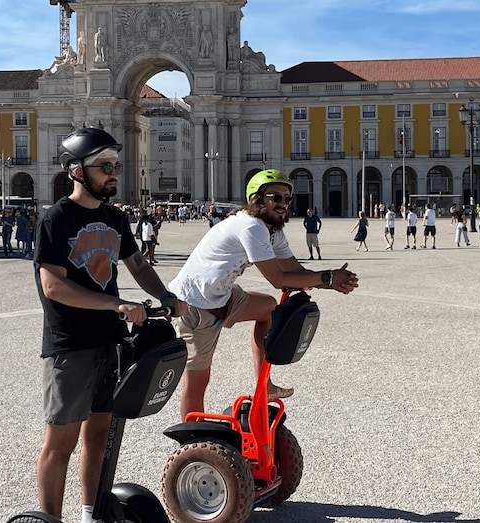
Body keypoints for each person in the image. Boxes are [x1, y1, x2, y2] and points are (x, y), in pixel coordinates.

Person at [34, 128, 187, 523]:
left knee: (100, 435)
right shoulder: (56, 219)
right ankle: (51, 519)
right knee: (60, 442)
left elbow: (138, 265)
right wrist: (117, 304)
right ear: (77, 170)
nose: (112, 174)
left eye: (115, 167)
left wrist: (167, 297)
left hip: (111, 343)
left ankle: (91, 515)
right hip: (71, 346)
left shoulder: (114, 218)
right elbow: (53, 286)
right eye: (104, 167)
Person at [169, 169, 359, 422]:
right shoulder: (250, 225)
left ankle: (264, 384)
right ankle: (192, 444)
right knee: (198, 381)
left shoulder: (272, 230)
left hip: (222, 297)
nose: (283, 204)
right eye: (275, 197)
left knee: (268, 308)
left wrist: (329, 283)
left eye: (287, 198)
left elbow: (293, 270)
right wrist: (327, 277)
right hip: (192, 304)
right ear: (257, 200)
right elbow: (278, 279)